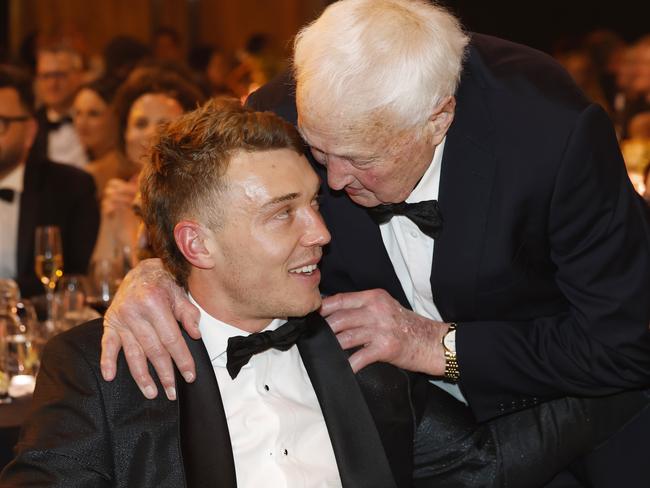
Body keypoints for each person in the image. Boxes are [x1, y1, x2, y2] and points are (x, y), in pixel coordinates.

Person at [101, 1, 650, 486]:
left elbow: (627, 341)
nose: (333, 182)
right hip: (403, 434)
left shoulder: (550, 135)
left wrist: (436, 346)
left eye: (361, 159)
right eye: (319, 152)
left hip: (575, 410)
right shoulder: (286, 111)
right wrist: (156, 273)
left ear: (438, 120)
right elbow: (215, 216)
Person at [2, 97, 633, 488]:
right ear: (197, 246)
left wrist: (633, 360)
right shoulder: (99, 368)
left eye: (314, 203)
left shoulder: (355, 345)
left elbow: (486, 463)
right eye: (284, 213)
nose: (322, 233)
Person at [0, 65, 99, 298]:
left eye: (1, 122)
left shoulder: (70, 187)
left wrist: (8, 292)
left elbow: (76, 279)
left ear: (30, 132)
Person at [91, 68, 204, 268]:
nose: (151, 133)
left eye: (165, 124)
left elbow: (162, 287)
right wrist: (110, 220)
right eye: (141, 123)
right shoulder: (121, 194)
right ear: (124, 135)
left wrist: (130, 232)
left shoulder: (198, 199)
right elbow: (101, 281)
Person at [31, 45, 87, 168]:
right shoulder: (31, 125)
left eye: (60, 75)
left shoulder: (96, 119)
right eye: (46, 76)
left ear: (79, 76)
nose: (53, 83)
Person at [72, 76, 127, 199]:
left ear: (116, 117)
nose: (82, 123)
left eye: (93, 114)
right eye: (78, 113)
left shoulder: (93, 173)